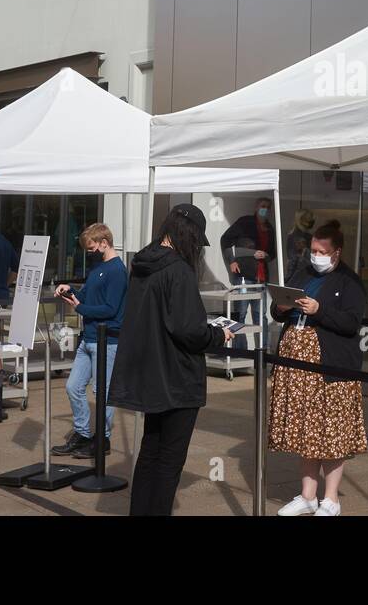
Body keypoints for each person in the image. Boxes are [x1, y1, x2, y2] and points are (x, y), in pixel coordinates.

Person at [109, 203, 233, 515]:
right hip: (177, 377)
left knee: (150, 451)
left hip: (151, 373)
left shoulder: (143, 263)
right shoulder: (177, 270)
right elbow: (189, 330)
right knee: (169, 459)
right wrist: (218, 335)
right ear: (189, 234)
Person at [269, 219, 367, 516]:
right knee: (306, 430)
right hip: (298, 367)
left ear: (336, 252)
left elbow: (351, 323)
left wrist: (320, 311)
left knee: (330, 432)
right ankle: (308, 495)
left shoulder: (350, 281)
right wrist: (282, 307)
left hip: (329, 367)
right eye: (313, 249)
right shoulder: (304, 271)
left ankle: (331, 499)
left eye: (321, 251)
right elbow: (278, 311)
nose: (315, 255)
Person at [51, 223, 127, 460]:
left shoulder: (117, 271)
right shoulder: (99, 268)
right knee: (73, 386)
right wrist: (70, 290)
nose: (90, 251)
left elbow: (110, 308)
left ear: (104, 243)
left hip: (108, 340)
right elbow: (87, 295)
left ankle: (101, 439)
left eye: (92, 247)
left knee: (102, 392)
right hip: (89, 338)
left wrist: (80, 307)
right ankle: (83, 434)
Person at [219, 197, 278, 348]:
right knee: (241, 314)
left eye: (267, 207)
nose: (265, 209)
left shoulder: (270, 228)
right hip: (244, 276)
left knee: (261, 316)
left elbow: (273, 252)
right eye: (262, 206)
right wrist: (231, 260)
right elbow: (225, 239)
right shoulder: (245, 222)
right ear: (256, 207)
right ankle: (241, 351)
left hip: (261, 278)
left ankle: (262, 351)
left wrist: (267, 255)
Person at [285, 209, 315, 281]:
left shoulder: (307, 236)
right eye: (307, 218)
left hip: (306, 271)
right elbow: (293, 258)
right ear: (301, 220)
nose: (310, 221)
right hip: (300, 273)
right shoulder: (296, 237)